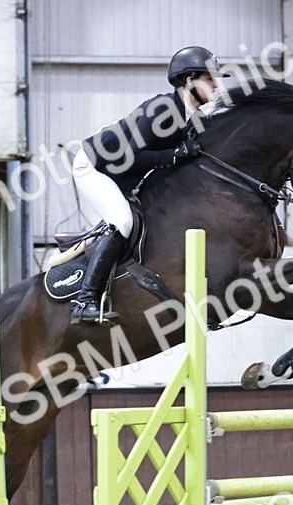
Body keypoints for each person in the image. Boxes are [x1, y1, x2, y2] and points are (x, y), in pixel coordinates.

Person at [68, 45, 221, 325]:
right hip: (93, 166)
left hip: (120, 173)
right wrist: (175, 155)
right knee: (122, 221)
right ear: (190, 80)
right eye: (210, 78)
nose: (216, 84)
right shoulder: (163, 109)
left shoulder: (191, 118)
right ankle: (85, 300)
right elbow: (130, 156)